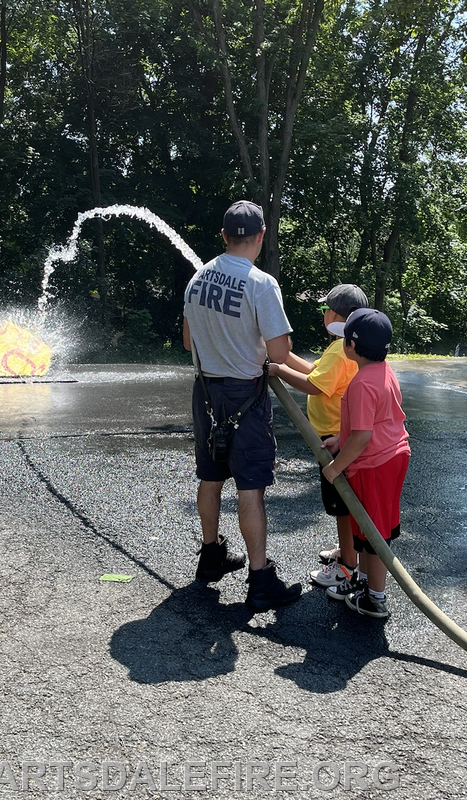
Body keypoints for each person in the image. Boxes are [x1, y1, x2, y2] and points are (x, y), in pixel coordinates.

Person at [183, 200, 302, 612]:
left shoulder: (197, 279)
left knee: (210, 477)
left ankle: (211, 555)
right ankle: (259, 580)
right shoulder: (260, 283)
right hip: (244, 398)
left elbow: (188, 342)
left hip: (205, 392)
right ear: (261, 236)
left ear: (223, 235)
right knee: (250, 487)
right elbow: (280, 352)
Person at [267, 284, 369, 589]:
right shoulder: (344, 345)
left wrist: (277, 370)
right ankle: (349, 551)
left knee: (341, 505)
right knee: (347, 502)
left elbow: (313, 385)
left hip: (333, 439)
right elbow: (315, 371)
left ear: (337, 314)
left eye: (326, 308)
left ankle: (346, 567)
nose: (323, 313)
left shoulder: (339, 351)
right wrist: (286, 359)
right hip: (340, 435)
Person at [321, 308, 410, 618]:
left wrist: (335, 467)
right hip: (392, 456)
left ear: (352, 346)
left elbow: (362, 436)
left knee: (374, 535)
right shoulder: (385, 372)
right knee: (368, 526)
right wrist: (339, 440)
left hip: (374, 464)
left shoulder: (360, 384)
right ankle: (361, 583)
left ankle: (375, 598)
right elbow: (376, 423)